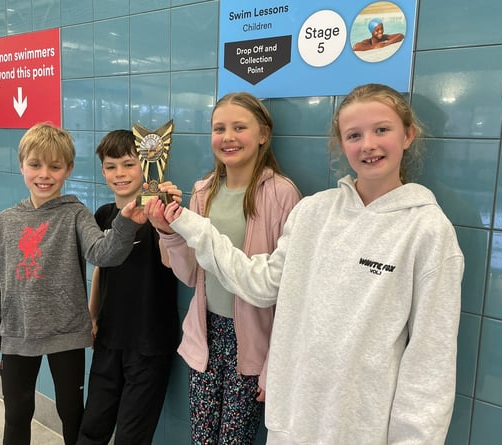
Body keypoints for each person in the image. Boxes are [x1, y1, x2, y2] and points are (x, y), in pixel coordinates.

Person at [149, 84, 464, 444]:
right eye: (354, 135)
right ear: (341, 144)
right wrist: (185, 225)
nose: (368, 145)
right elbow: (262, 283)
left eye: (382, 130)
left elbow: (430, 363)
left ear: (408, 135)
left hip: (360, 426)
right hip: (294, 420)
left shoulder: (428, 231)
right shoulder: (315, 212)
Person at [0, 122, 148, 445]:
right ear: (21, 166)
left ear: (67, 169)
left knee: (71, 413)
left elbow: (103, 254)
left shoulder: (76, 214)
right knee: (16, 414)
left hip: (66, 335)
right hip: (17, 335)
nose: (44, 174)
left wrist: (125, 224)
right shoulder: (6, 221)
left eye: (54, 166)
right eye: (35, 165)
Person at [146, 92, 301, 444]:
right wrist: (167, 231)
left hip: (253, 342)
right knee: (202, 437)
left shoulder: (282, 195)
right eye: (219, 128)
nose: (227, 137)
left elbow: (289, 290)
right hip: (206, 334)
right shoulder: (203, 192)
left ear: (263, 134)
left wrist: (274, 362)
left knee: (235, 439)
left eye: (239, 127)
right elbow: (188, 274)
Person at [76, 130, 180, 445]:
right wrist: (92, 317)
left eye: (128, 164)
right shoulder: (104, 215)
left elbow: (173, 265)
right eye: (111, 166)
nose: (119, 173)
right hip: (109, 337)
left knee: (132, 436)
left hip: (150, 342)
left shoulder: (165, 217)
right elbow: (100, 269)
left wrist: (165, 221)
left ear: (146, 166)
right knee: (92, 426)